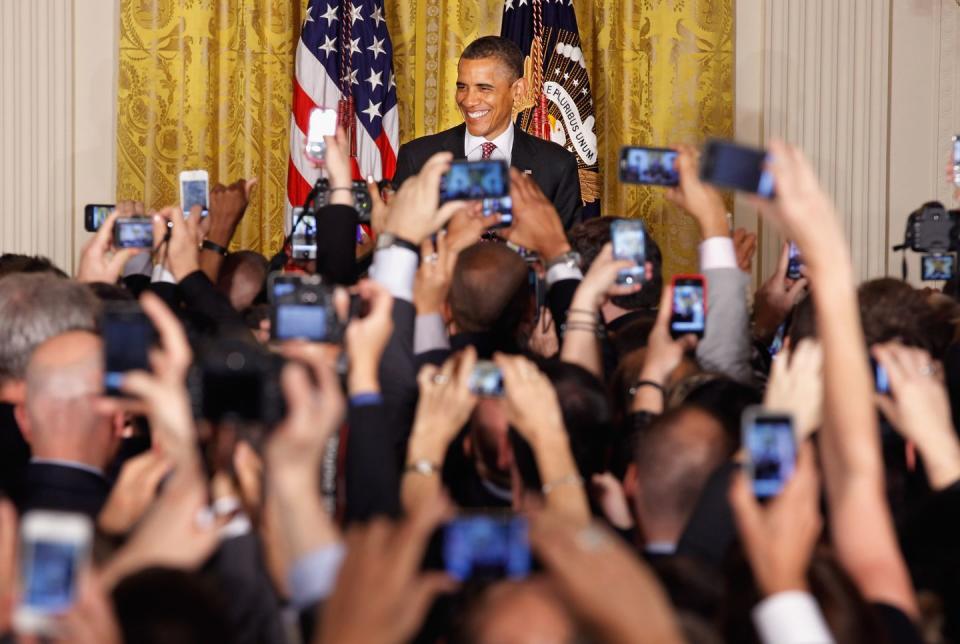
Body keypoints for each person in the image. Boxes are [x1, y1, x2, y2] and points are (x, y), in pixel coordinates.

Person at [393, 36, 583, 229]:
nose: (468, 101)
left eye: (484, 88)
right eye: (462, 87)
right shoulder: (418, 158)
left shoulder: (556, 165)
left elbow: (565, 251)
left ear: (518, 90)